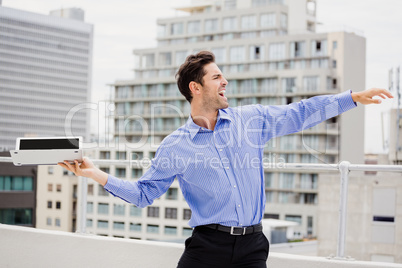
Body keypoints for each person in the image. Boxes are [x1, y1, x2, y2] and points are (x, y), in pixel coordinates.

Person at [59, 51, 393, 268]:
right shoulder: (175, 146)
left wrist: (350, 98)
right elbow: (145, 194)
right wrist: (96, 174)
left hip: (252, 247)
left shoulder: (251, 120)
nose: (225, 81)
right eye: (217, 77)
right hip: (207, 249)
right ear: (196, 87)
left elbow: (299, 113)